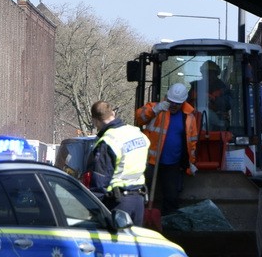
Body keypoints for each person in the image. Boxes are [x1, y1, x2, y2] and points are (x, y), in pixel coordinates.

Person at [135, 82, 199, 216]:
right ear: (167, 98)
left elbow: (192, 142)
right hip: (151, 162)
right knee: (142, 192)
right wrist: (155, 110)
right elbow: (139, 118)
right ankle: (138, 217)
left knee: (171, 196)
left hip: (173, 164)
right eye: (171, 102)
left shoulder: (189, 117)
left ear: (183, 102)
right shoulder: (156, 109)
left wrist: (191, 162)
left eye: (177, 103)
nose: (174, 105)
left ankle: (168, 221)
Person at [87, 101, 150, 227]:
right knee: (134, 244)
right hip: (138, 200)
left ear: (95, 120)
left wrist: (93, 210)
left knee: (118, 245)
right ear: (113, 113)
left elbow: (100, 181)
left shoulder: (109, 140)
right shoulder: (137, 133)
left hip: (118, 204)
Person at [188, 60, 232, 129]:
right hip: (196, 120)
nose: (207, 75)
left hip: (218, 123)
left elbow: (230, 103)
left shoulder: (223, 87)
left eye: (210, 73)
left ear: (216, 74)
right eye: (205, 72)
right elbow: (187, 103)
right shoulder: (196, 86)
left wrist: (214, 100)